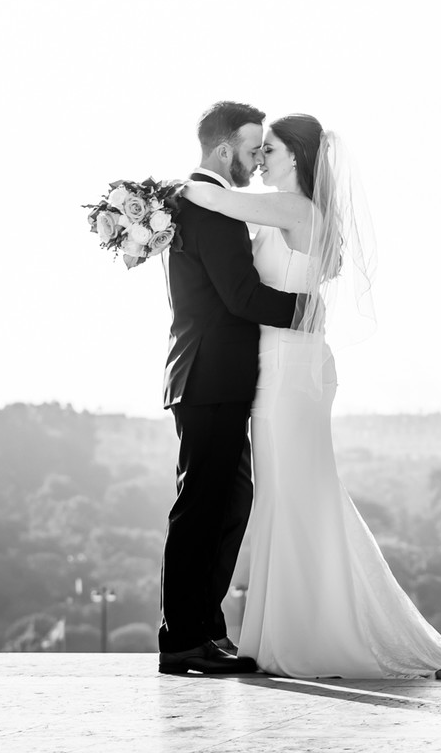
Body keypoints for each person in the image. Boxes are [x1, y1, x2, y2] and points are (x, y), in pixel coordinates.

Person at [178, 113, 441, 680]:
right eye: (258, 151)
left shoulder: (293, 209)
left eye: (270, 151)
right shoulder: (298, 213)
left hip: (288, 372)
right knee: (293, 496)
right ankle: (299, 628)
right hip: (290, 366)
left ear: (298, 159)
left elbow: (216, 203)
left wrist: (160, 199)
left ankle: (301, 632)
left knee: (293, 497)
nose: (260, 161)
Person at [159, 101, 314, 676]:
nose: (256, 160)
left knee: (228, 504)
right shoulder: (211, 209)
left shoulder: (201, 204)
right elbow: (242, 298)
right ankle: (181, 640)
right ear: (225, 149)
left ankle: (205, 630)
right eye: (253, 149)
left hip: (213, 377)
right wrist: (309, 311)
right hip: (210, 378)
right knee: (202, 510)